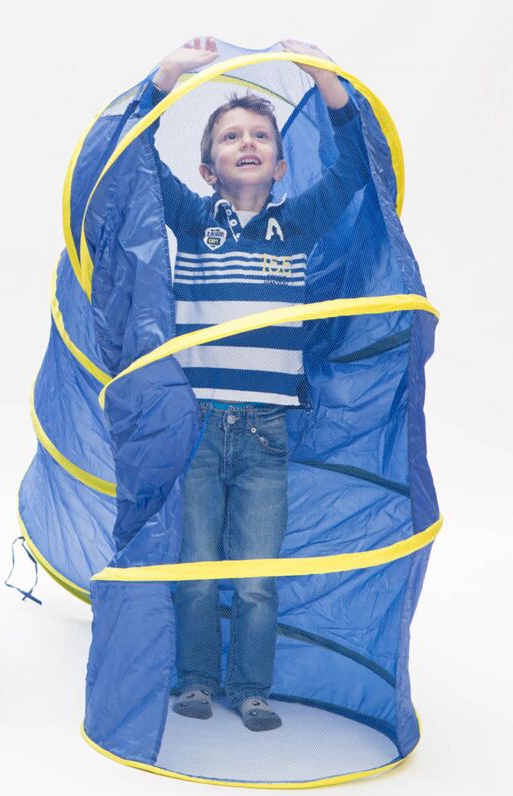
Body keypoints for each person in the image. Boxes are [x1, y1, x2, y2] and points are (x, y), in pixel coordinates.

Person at [140, 37, 370, 731]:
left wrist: (325, 80)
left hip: (266, 432)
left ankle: (250, 688)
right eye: (231, 136)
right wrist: (166, 77)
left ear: (280, 163)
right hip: (200, 428)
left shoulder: (292, 225)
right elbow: (135, 160)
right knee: (196, 568)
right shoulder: (194, 222)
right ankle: (195, 680)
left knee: (255, 579)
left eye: (261, 136)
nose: (247, 143)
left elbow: (356, 166)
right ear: (207, 168)